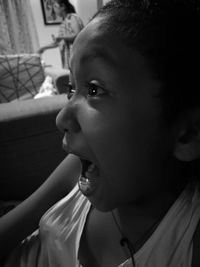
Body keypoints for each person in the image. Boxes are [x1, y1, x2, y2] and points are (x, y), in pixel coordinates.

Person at [1, 0, 200, 266]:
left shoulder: (186, 246)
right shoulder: (78, 169)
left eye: (94, 90)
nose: (61, 119)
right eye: (71, 89)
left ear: (186, 134)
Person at [37, 0, 84, 69]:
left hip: (76, 55)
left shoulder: (72, 17)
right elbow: (57, 43)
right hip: (67, 58)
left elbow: (77, 34)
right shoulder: (63, 22)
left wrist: (61, 37)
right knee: (69, 77)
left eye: (55, 6)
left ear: (63, 7)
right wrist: (43, 48)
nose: (54, 9)